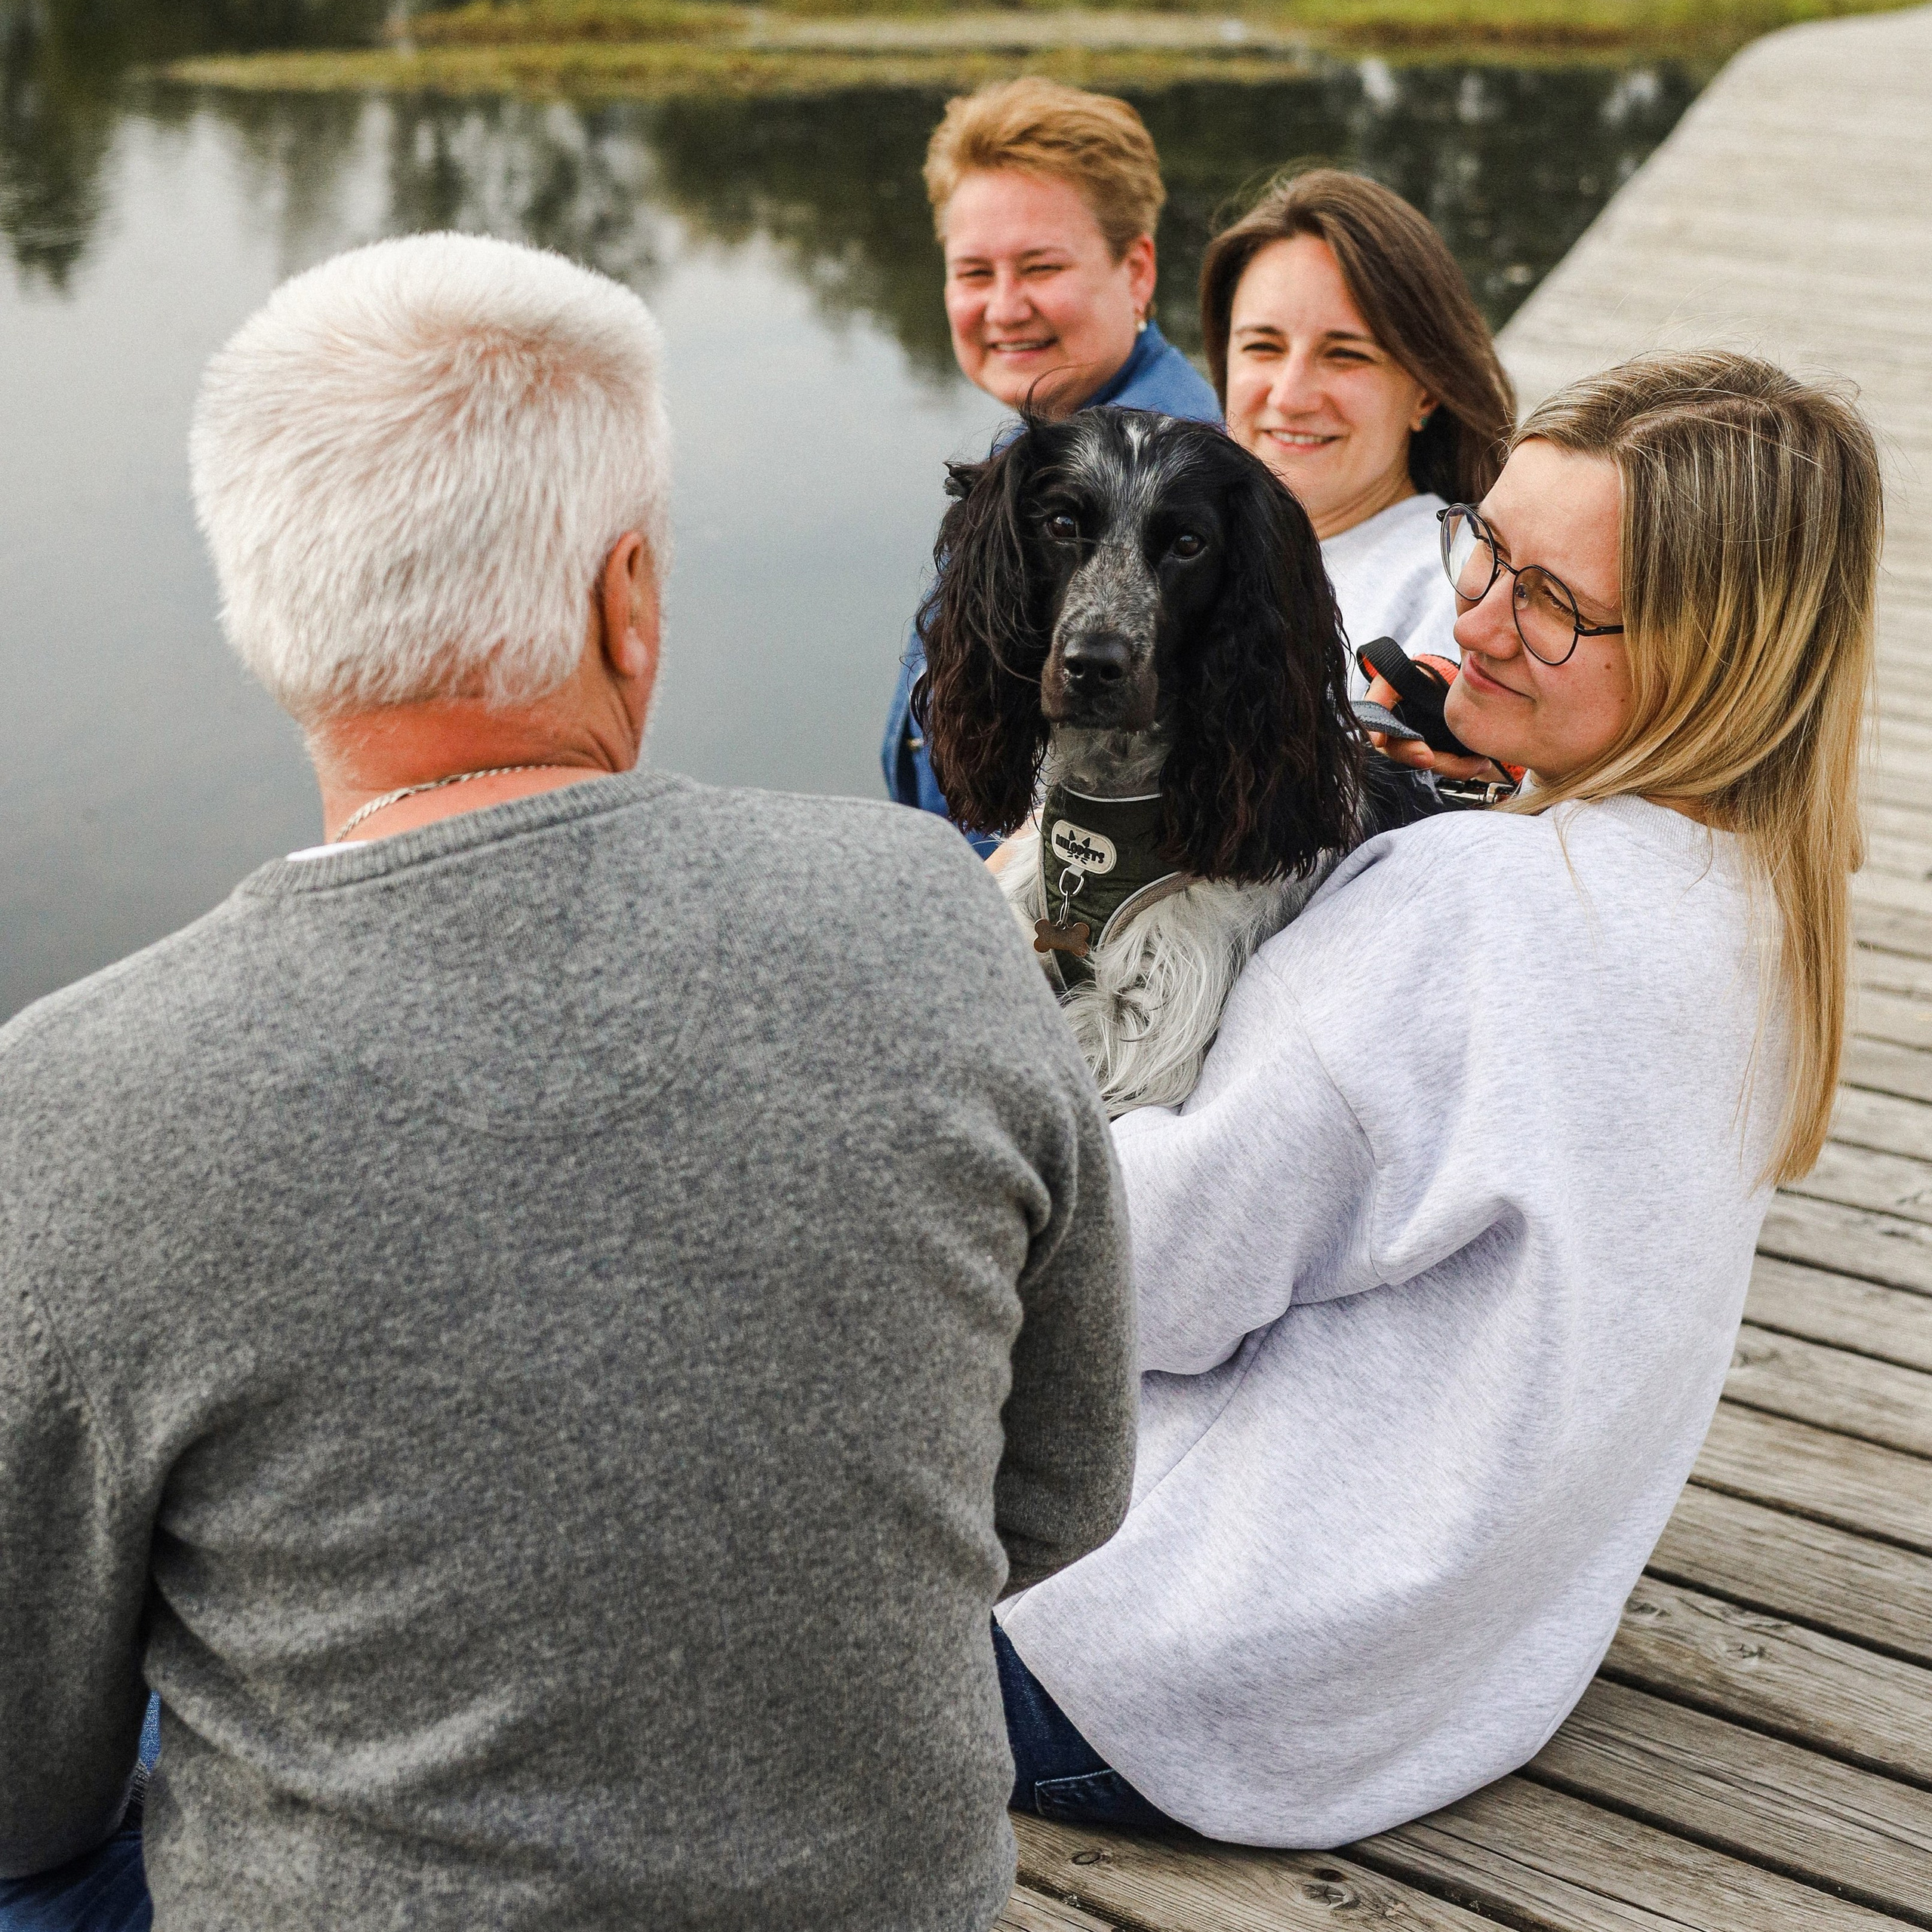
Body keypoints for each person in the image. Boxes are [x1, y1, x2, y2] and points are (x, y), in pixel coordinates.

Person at [0, 232, 1137, 1931]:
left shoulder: (70, 1093)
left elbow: (24, 1769)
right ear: (627, 595)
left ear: (261, 617)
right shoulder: (931, 913)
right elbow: (1061, 1485)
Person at [989, 350, 1880, 1842]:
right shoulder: (1766, 911)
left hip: (1150, 1678)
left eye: (1550, 602)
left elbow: (1128, 1278)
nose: (1468, 618)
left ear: (1713, 656)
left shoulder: (1476, 908)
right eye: (1484, 546)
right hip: (1443, 1679)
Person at [882, 78, 1220, 848]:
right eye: (974, 272)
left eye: (1039, 268)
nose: (1002, 308)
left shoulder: (1189, 490)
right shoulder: (1039, 454)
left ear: (1136, 271)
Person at [1199, 168, 1517, 697]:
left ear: (1425, 389)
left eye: (1345, 355)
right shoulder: (1170, 548)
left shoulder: (1457, 596)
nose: (1289, 397)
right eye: (1263, 347)